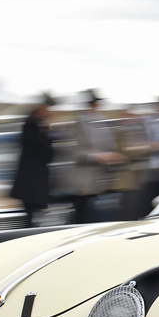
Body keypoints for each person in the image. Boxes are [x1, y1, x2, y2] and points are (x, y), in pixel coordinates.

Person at [69, 90, 126, 223]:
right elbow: (75, 151)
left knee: (101, 216)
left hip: (102, 178)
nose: (98, 107)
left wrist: (114, 155)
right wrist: (96, 157)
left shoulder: (100, 122)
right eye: (95, 104)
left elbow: (109, 145)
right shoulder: (79, 124)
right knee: (84, 216)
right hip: (85, 180)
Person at [9, 93, 57, 223]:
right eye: (47, 108)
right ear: (41, 107)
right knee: (30, 218)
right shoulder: (32, 125)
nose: (49, 112)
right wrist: (48, 131)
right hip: (32, 182)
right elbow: (46, 151)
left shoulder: (34, 124)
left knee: (33, 216)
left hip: (33, 182)